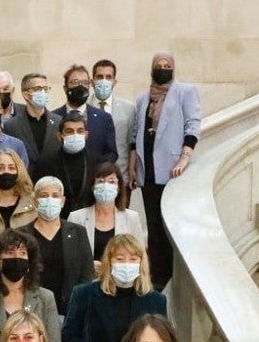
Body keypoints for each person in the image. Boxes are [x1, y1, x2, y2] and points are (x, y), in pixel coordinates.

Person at [127, 52, 201, 291]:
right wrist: (132, 165)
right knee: (154, 226)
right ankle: (157, 278)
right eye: (158, 65)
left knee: (170, 225)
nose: (163, 69)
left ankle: (172, 277)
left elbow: (193, 124)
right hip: (147, 170)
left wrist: (185, 157)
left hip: (172, 171)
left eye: (167, 65)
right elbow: (136, 132)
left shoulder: (184, 92)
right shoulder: (142, 99)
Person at [19, 176, 95, 317]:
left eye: (55, 196)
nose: (50, 200)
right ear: (35, 200)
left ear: (63, 201)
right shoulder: (20, 234)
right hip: (30, 311)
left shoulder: (78, 232)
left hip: (69, 311)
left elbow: (86, 274)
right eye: (44, 195)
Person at [68, 161, 146, 269]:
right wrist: (88, 265)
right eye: (100, 181)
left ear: (119, 187)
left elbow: (140, 254)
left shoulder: (131, 218)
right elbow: (69, 255)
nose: (106, 186)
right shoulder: (76, 218)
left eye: (112, 181)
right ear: (92, 187)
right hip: (87, 280)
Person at [36, 111, 109, 214]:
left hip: (91, 217)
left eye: (80, 131)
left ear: (86, 135)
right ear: (59, 135)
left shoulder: (100, 162)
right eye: (69, 131)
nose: (75, 135)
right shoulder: (45, 163)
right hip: (58, 218)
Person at [52, 64, 118, 165]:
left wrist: (97, 169)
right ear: (65, 88)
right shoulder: (53, 118)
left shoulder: (104, 118)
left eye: (84, 83)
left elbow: (112, 153)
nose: (80, 86)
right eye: (75, 82)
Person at [2, 73, 61, 176]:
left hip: (52, 182)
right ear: (25, 94)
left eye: (45, 89)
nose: (42, 92)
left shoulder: (58, 122)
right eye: (37, 89)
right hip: (24, 183)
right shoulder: (11, 126)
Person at [91, 58, 135, 179]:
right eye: (100, 77)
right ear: (92, 81)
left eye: (108, 77)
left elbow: (131, 144)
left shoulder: (128, 109)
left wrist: (131, 171)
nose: (104, 81)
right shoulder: (84, 108)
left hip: (121, 176)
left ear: (114, 81)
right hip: (91, 177)